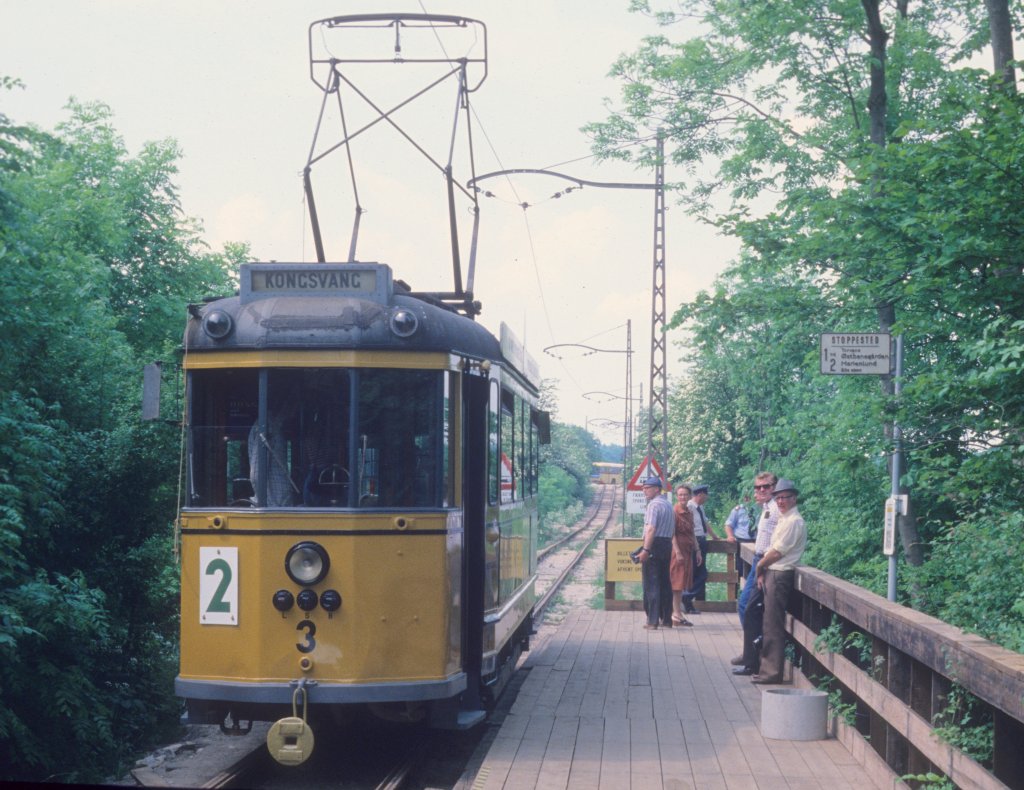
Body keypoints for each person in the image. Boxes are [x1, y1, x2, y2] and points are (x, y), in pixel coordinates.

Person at [750, 478, 807, 684]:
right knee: (768, 622)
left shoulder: (794, 522)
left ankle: (771, 673)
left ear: (794, 498)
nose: (781, 501)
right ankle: (767, 670)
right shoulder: (784, 518)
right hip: (773, 572)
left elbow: (776, 552)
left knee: (773, 624)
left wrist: (759, 566)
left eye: (785, 498)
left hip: (780, 574)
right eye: (779, 498)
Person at [636, 476, 675, 630]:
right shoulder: (668, 505)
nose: (644, 490)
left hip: (654, 544)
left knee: (651, 583)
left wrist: (646, 549)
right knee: (665, 582)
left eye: (647, 487)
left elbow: (651, 529)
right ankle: (667, 619)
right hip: (666, 544)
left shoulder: (653, 505)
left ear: (656, 489)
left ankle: (652, 621)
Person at [681, 484, 718, 614]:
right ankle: (686, 596)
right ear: (700, 494)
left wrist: (715, 537)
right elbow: (689, 528)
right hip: (694, 542)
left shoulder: (700, 507)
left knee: (697, 573)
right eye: (706, 494)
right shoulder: (690, 507)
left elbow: (705, 523)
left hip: (701, 541)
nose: (707, 497)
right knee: (700, 573)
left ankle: (688, 603)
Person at [670, 484, 699, 626]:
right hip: (678, 552)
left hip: (688, 550)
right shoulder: (674, 512)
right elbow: (672, 533)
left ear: (689, 496)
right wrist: (677, 551)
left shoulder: (689, 511)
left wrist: (698, 550)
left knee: (682, 583)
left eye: (685, 494)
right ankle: (676, 613)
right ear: (676, 496)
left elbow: (692, 532)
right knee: (676, 582)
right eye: (680, 494)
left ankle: (677, 613)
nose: (683, 497)